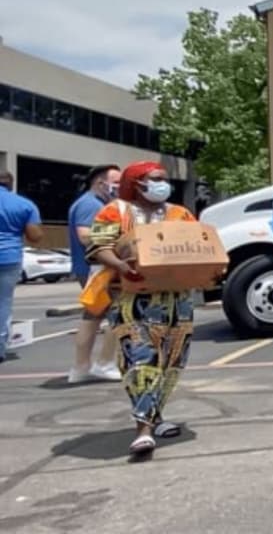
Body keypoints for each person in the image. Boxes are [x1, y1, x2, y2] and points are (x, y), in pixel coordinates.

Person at [86, 161, 196, 456]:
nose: (163, 183)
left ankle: (155, 416)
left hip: (177, 301)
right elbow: (98, 247)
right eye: (155, 179)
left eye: (164, 178)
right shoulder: (115, 211)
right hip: (132, 298)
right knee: (140, 359)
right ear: (136, 183)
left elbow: (198, 245)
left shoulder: (179, 214)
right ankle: (143, 429)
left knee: (171, 362)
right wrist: (123, 265)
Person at [67, 164, 123, 384]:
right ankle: (105, 363)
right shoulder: (91, 205)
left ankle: (81, 367)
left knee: (91, 318)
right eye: (116, 182)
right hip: (98, 269)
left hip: (92, 269)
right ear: (100, 182)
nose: (119, 186)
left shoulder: (93, 203)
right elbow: (84, 236)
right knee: (120, 314)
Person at [0, 171, 44, 364]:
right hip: (9, 258)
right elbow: (34, 236)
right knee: (3, 303)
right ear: (10, 184)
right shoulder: (24, 204)